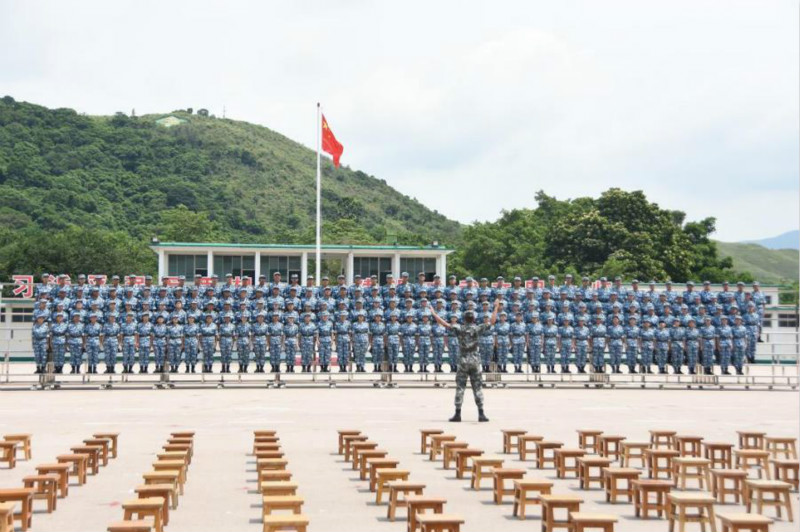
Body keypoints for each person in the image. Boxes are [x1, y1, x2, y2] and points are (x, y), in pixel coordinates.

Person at [429, 297, 500, 423]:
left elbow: (445, 324)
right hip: (474, 360)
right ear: (474, 319)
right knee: (477, 387)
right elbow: (492, 322)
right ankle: (481, 413)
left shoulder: (459, 329)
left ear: (464, 319)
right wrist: (496, 307)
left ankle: (457, 413)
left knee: (460, 387)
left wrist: (434, 314)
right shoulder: (477, 328)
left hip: (463, 361)